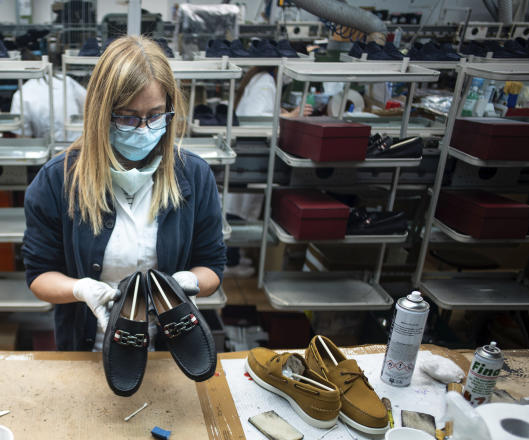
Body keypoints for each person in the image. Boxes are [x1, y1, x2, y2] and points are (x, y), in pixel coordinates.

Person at [22, 36, 227, 351]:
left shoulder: (194, 176)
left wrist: (191, 282)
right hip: (89, 350)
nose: (143, 129)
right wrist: (79, 289)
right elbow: (39, 275)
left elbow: (212, 265)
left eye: (156, 115)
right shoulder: (58, 181)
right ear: (101, 113)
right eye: (128, 117)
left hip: (169, 353)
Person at [224, 67, 313, 222]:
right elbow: (255, 117)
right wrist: (289, 117)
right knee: (236, 216)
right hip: (250, 154)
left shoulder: (260, 77)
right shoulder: (265, 80)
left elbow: (259, 110)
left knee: (234, 214)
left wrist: (281, 113)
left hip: (246, 154)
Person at [10, 52, 87, 142]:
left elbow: (23, 138)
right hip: (79, 144)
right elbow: (88, 104)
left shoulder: (21, 94)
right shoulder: (66, 80)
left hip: (47, 150)